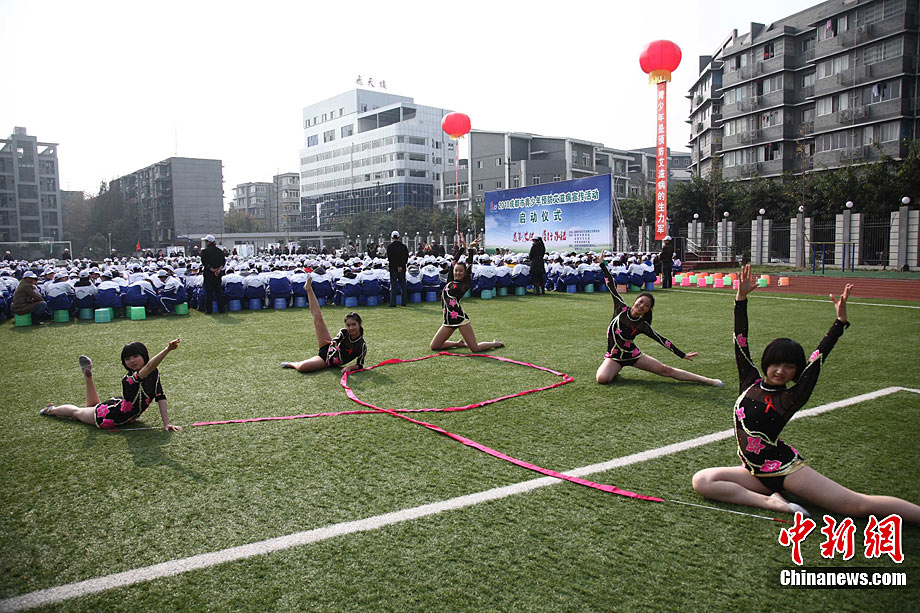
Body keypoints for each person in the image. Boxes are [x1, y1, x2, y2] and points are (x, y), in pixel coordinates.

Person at [692, 265, 920, 521]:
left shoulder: (791, 397)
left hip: (785, 470)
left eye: (789, 367)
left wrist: (839, 324)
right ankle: (773, 502)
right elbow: (740, 339)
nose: (781, 371)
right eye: (776, 364)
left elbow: (817, 359)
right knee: (703, 481)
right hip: (754, 471)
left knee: (856, 505)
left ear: (796, 371)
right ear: (767, 362)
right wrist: (741, 298)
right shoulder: (749, 382)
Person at [596, 259, 722, 386]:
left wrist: (682, 355)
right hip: (614, 356)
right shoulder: (620, 308)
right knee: (602, 379)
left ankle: (707, 380)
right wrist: (602, 264)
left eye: (646, 306)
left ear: (648, 310)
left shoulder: (642, 325)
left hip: (632, 355)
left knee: (666, 370)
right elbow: (611, 285)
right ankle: (615, 369)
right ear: (635, 300)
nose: (642, 306)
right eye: (641, 302)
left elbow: (662, 340)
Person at [40, 340, 182, 432]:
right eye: (127, 359)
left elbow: (160, 396)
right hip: (112, 416)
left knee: (91, 407)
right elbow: (150, 366)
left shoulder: (154, 373)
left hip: (123, 412)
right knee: (76, 413)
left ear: (144, 356)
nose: (132, 361)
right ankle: (50, 410)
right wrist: (167, 349)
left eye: (135, 356)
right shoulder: (129, 379)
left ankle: (88, 376)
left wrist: (166, 424)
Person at [430, 237, 503, 353]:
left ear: (465, 273)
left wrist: (470, 248)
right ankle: (458, 343)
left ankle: (495, 343)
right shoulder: (450, 280)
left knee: (475, 348)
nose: (457, 273)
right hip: (449, 319)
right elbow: (454, 261)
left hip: (460, 318)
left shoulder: (464, 284)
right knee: (434, 346)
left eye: (460, 271)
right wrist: (462, 248)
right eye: (456, 270)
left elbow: (469, 264)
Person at [281, 277, 367, 373]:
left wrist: (350, 367)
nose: (350, 328)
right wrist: (334, 342)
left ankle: (294, 364)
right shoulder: (344, 332)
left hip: (327, 360)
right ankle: (309, 289)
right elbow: (336, 340)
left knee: (303, 367)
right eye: (348, 325)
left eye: (354, 324)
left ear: (359, 324)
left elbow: (360, 364)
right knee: (318, 317)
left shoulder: (362, 345)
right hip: (327, 346)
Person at [200, 234, 226, 314]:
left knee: (209, 293)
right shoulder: (220, 251)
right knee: (218, 292)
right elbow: (223, 262)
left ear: (208, 242)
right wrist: (218, 270)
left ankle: (209, 310)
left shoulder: (205, 252)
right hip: (218, 274)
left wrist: (211, 269)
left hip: (208, 274)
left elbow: (204, 263)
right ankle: (221, 310)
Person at [386, 230, 409, 307]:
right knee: (403, 286)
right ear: (399, 237)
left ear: (392, 238)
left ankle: (393, 303)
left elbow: (390, 259)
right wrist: (400, 266)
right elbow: (405, 257)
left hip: (393, 268)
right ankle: (404, 302)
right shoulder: (404, 247)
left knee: (393, 286)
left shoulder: (390, 247)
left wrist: (396, 266)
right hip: (402, 268)